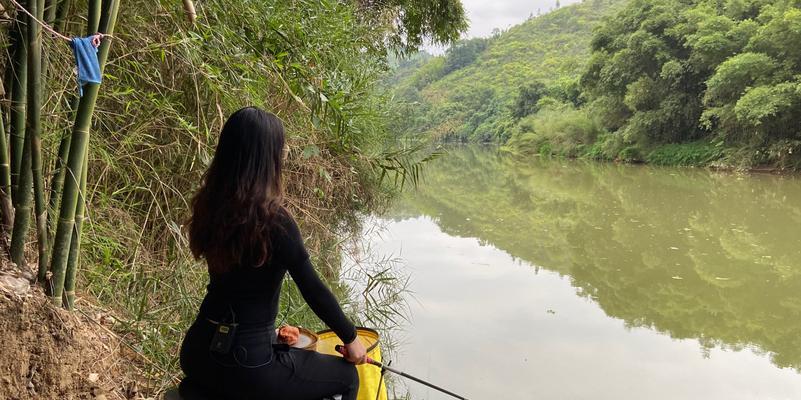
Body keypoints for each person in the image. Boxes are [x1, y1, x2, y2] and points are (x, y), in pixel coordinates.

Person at [179, 106, 367, 400]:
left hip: (198, 353)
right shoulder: (274, 220)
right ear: (268, 159)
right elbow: (313, 289)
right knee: (346, 376)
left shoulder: (208, 206)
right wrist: (351, 338)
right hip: (247, 364)